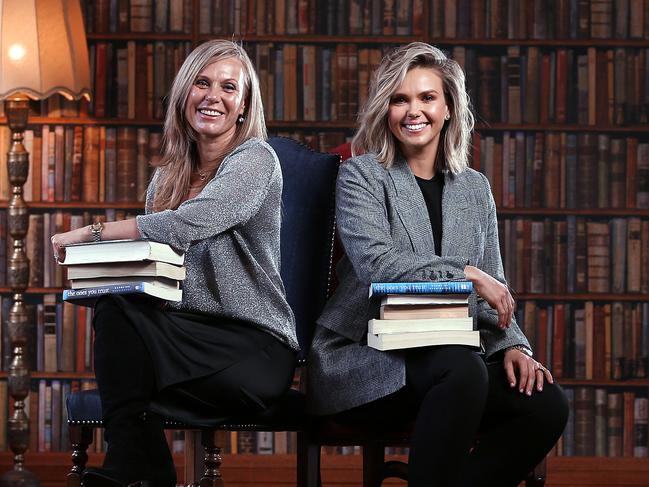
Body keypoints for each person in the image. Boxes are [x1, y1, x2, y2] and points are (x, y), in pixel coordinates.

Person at [307, 42, 568, 487]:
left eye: (427, 97)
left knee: (546, 403)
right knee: (463, 370)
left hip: (451, 355)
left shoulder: (475, 188)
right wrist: (466, 272)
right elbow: (378, 265)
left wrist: (513, 347)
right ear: (386, 110)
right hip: (369, 355)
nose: (414, 110)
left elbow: (495, 285)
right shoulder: (361, 174)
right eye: (400, 99)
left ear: (448, 108)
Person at [51, 40, 297, 487]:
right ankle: (138, 472)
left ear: (243, 105)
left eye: (228, 87)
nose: (213, 96)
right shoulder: (167, 176)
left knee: (128, 360)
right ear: (185, 92)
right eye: (202, 83)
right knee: (116, 308)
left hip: (252, 347)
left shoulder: (256, 159)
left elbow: (190, 222)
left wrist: (91, 233)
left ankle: (135, 472)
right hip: (184, 337)